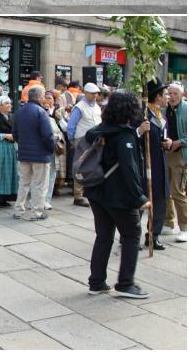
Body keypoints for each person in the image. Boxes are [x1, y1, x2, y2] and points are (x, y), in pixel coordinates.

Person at [83, 89, 151, 298]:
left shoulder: (102, 130)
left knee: (104, 236)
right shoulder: (124, 136)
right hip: (118, 196)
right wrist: (140, 199)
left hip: (97, 192)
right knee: (131, 234)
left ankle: (96, 281)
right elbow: (130, 171)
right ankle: (125, 283)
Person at [13, 86, 55, 220]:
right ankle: (37, 212)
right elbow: (48, 135)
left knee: (23, 183)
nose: (44, 98)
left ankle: (18, 210)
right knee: (39, 185)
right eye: (43, 95)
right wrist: (50, 149)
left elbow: (15, 134)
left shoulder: (19, 112)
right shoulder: (41, 112)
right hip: (40, 155)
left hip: (24, 154)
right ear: (38, 97)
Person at [141, 80, 171, 250]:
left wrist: (165, 142)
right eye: (165, 94)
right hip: (145, 163)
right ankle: (129, 235)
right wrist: (140, 130)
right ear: (158, 96)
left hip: (160, 165)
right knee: (139, 200)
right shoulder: (143, 115)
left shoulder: (162, 116)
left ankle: (153, 235)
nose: (167, 97)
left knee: (160, 201)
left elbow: (160, 139)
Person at [66, 82, 103, 206]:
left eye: (96, 94)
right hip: (82, 140)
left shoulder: (96, 107)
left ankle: (89, 191)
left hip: (95, 140)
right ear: (86, 93)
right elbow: (71, 126)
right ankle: (78, 195)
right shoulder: (79, 107)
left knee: (93, 165)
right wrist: (72, 140)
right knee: (81, 166)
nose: (95, 96)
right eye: (92, 94)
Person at [165, 83, 186, 242]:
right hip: (166, 152)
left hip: (180, 154)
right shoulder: (166, 109)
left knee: (177, 192)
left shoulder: (185, 110)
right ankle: (168, 222)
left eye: (175, 94)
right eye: (170, 93)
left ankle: (184, 227)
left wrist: (178, 142)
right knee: (166, 190)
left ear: (182, 95)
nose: (172, 97)